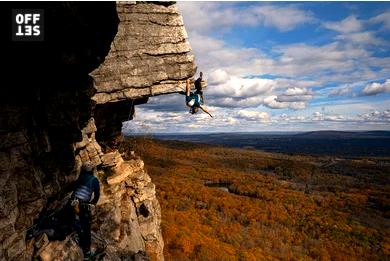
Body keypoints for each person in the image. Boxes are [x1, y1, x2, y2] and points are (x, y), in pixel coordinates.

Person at [71, 162, 100, 259]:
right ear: (91, 171)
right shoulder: (94, 180)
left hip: (73, 202)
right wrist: (93, 203)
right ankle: (87, 252)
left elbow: (74, 189)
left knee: (75, 221)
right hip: (83, 205)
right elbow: (97, 195)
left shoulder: (80, 177)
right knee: (86, 227)